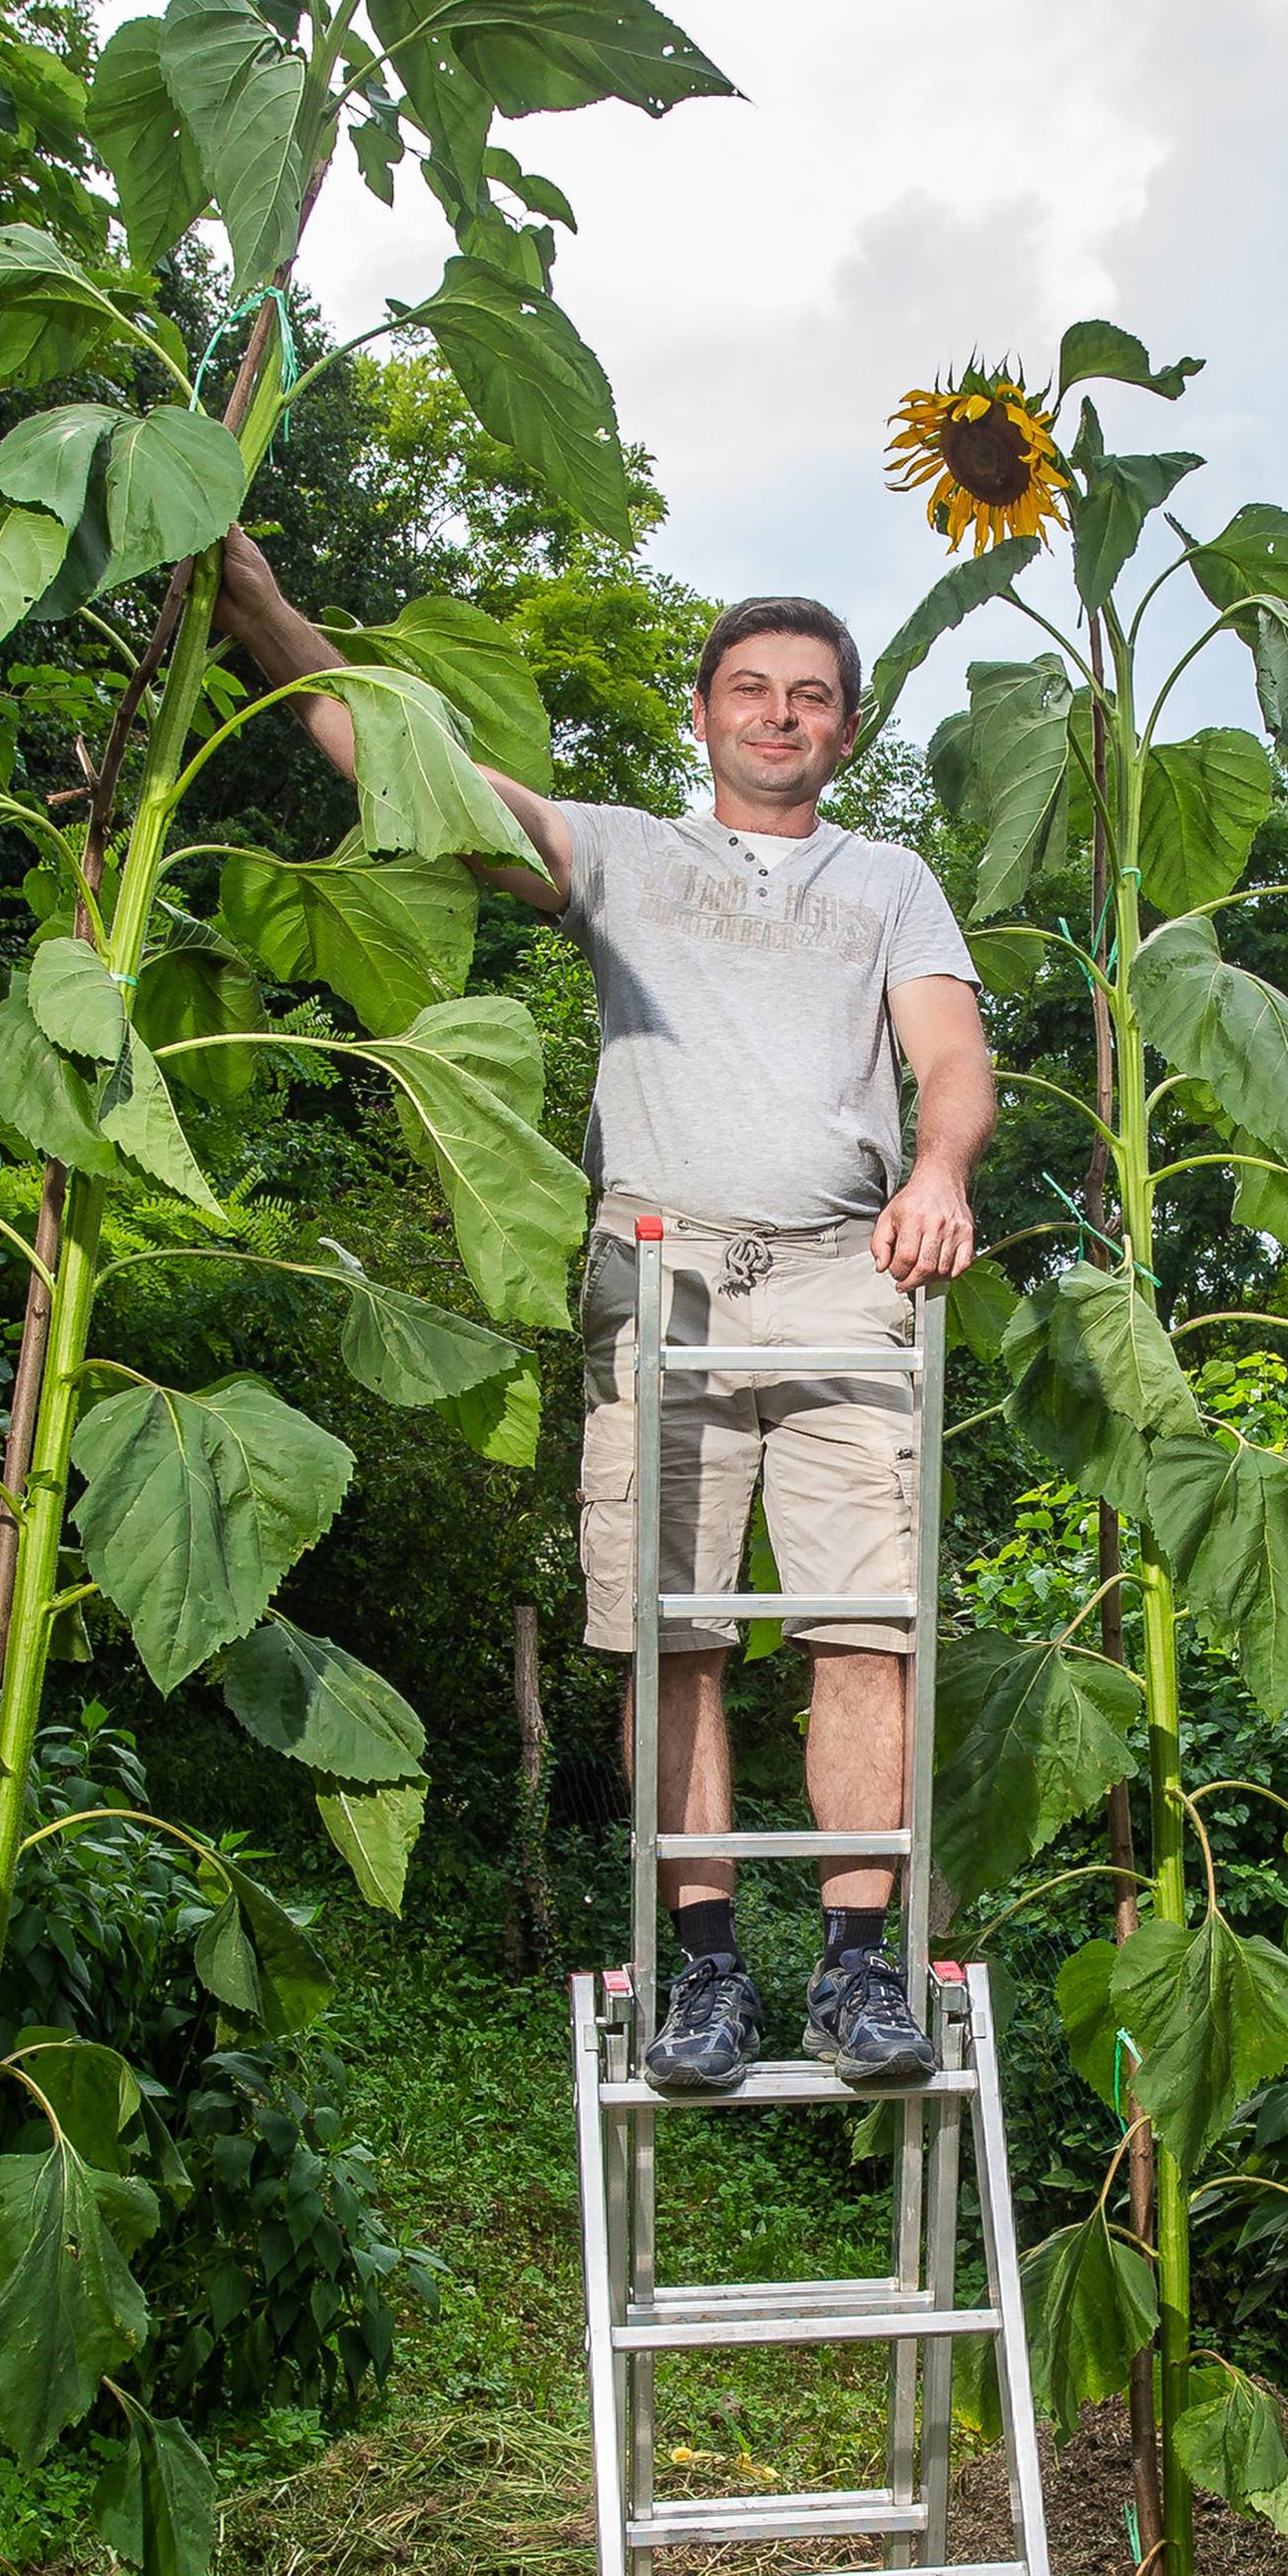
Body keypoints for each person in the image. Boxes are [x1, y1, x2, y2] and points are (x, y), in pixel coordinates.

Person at [215, 533, 997, 2098]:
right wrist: (263, 612)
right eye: (752, 692)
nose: (781, 717)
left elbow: (953, 1055)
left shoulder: (889, 883)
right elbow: (417, 766)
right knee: (672, 1636)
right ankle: (705, 1972)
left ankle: (856, 1976)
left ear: (847, 731)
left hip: (857, 1274)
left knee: (871, 1626)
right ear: (702, 715)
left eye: (814, 698)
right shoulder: (626, 854)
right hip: (668, 1271)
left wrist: (941, 1169)